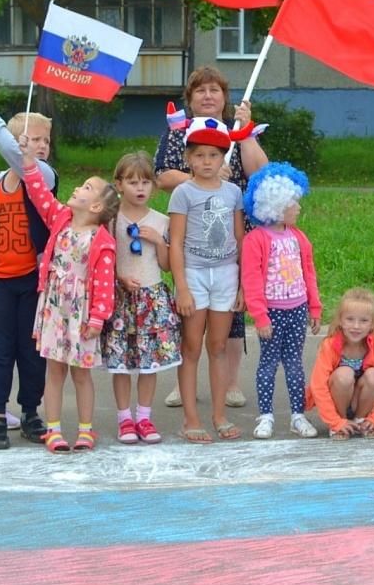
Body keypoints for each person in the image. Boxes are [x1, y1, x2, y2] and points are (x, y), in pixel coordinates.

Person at [155, 66, 267, 411]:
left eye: (214, 90)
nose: (207, 96)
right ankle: (182, 385)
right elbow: (161, 175)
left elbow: (261, 173)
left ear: (224, 98)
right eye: (200, 91)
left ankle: (230, 383)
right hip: (192, 233)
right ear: (190, 99)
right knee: (187, 317)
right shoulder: (179, 135)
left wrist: (245, 134)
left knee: (230, 315)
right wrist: (202, 173)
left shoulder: (237, 132)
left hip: (233, 229)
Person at [14, 139, 120, 453]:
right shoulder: (59, 218)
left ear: (96, 207)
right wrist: (29, 162)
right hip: (54, 309)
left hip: (83, 315)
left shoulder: (102, 241)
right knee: (55, 370)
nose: (78, 188)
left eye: (87, 188)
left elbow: (104, 284)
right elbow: (39, 194)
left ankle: (86, 430)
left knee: (82, 373)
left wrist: (98, 318)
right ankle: (54, 429)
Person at [0, 94, 59, 449]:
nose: (41, 146)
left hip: (32, 279)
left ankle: (31, 410)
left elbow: (22, 161)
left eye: (45, 140)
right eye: (33, 139)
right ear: (16, 142)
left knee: (30, 349)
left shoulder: (43, 177)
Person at [168, 116, 252, 442]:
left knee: (217, 346)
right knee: (191, 348)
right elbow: (174, 242)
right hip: (194, 274)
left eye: (214, 155)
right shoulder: (183, 193)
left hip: (227, 274)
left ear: (223, 158)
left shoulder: (233, 192)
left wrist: (244, 283)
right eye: (200, 155)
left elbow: (240, 238)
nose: (207, 161)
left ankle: (219, 415)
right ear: (188, 158)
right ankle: (191, 418)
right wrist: (183, 288)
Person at [104, 151, 181, 445]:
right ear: (119, 184)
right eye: (132, 182)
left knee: (150, 363)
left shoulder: (161, 221)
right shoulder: (110, 220)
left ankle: (144, 417)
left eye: (145, 182)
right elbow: (104, 259)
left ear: (153, 186)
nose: (139, 188)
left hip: (152, 299)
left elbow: (165, 264)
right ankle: (125, 418)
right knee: (120, 363)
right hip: (120, 299)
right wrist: (119, 278)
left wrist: (158, 241)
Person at [241, 163, 322, 440]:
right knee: (268, 363)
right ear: (277, 204)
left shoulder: (299, 237)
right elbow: (251, 280)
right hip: (272, 314)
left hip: (297, 311)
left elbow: (308, 272)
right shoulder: (256, 240)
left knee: (295, 363)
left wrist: (314, 307)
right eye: (294, 203)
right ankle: (266, 416)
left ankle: (297, 416)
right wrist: (260, 317)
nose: (298, 208)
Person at [307, 288, 374, 439]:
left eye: (364, 320)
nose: (356, 326)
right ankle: (341, 424)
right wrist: (334, 421)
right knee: (344, 374)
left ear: (372, 324)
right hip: (338, 402)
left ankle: (361, 421)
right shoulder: (329, 345)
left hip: (361, 400)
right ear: (340, 320)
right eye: (350, 319)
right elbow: (318, 386)